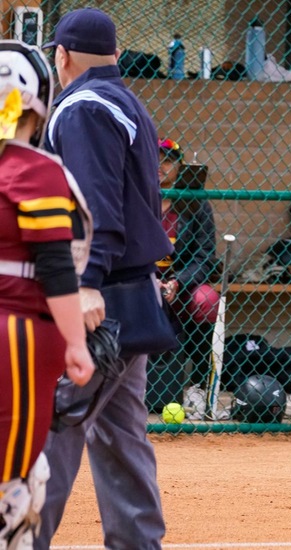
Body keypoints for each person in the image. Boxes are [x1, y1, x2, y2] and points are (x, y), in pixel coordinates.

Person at [36, 8, 174, 548]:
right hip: (130, 295)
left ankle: (19, 538)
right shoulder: (124, 101)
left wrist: (84, 284)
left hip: (98, 298)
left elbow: (97, 208)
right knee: (119, 432)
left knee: (53, 421)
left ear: (62, 56)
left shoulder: (83, 108)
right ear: (113, 55)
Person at [0, 39, 95, 550]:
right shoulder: (32, 170)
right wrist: (76, 342)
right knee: (16, 481)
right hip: (14, 330)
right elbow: (55, 267)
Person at [150, 138, 220, 416]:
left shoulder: (195, 203)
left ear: (179, 167)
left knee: (207, 299)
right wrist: (148, 279)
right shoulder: (138, 197)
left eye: (167, 160)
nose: (160, 165)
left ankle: (198, 385)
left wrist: (178, 281)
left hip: (182, 284)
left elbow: (205, 255)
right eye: (154, 158)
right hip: (144, 282)